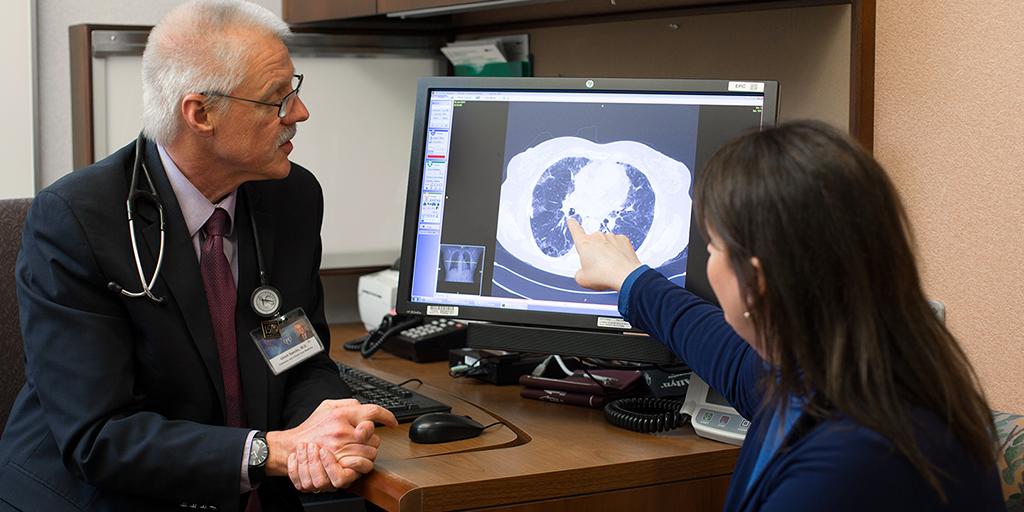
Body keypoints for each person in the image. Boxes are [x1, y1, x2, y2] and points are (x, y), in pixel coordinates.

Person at [0, 1, 396, 511]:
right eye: (277, 99)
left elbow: (296, 356)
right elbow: (98, 437)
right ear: (200, 114)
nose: (299, 113)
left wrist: (324, 426)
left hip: (251, 491)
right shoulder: (77, 220)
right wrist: (268, 451)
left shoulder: (289, 198)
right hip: (104, 497)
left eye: (293, 90)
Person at [566, 121, 1004, 511]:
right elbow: (729, 355)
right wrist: (631, 279)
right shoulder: (853, 369)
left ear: (756, 282)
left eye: (713, 248)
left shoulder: (848, 469)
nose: (710, 261)